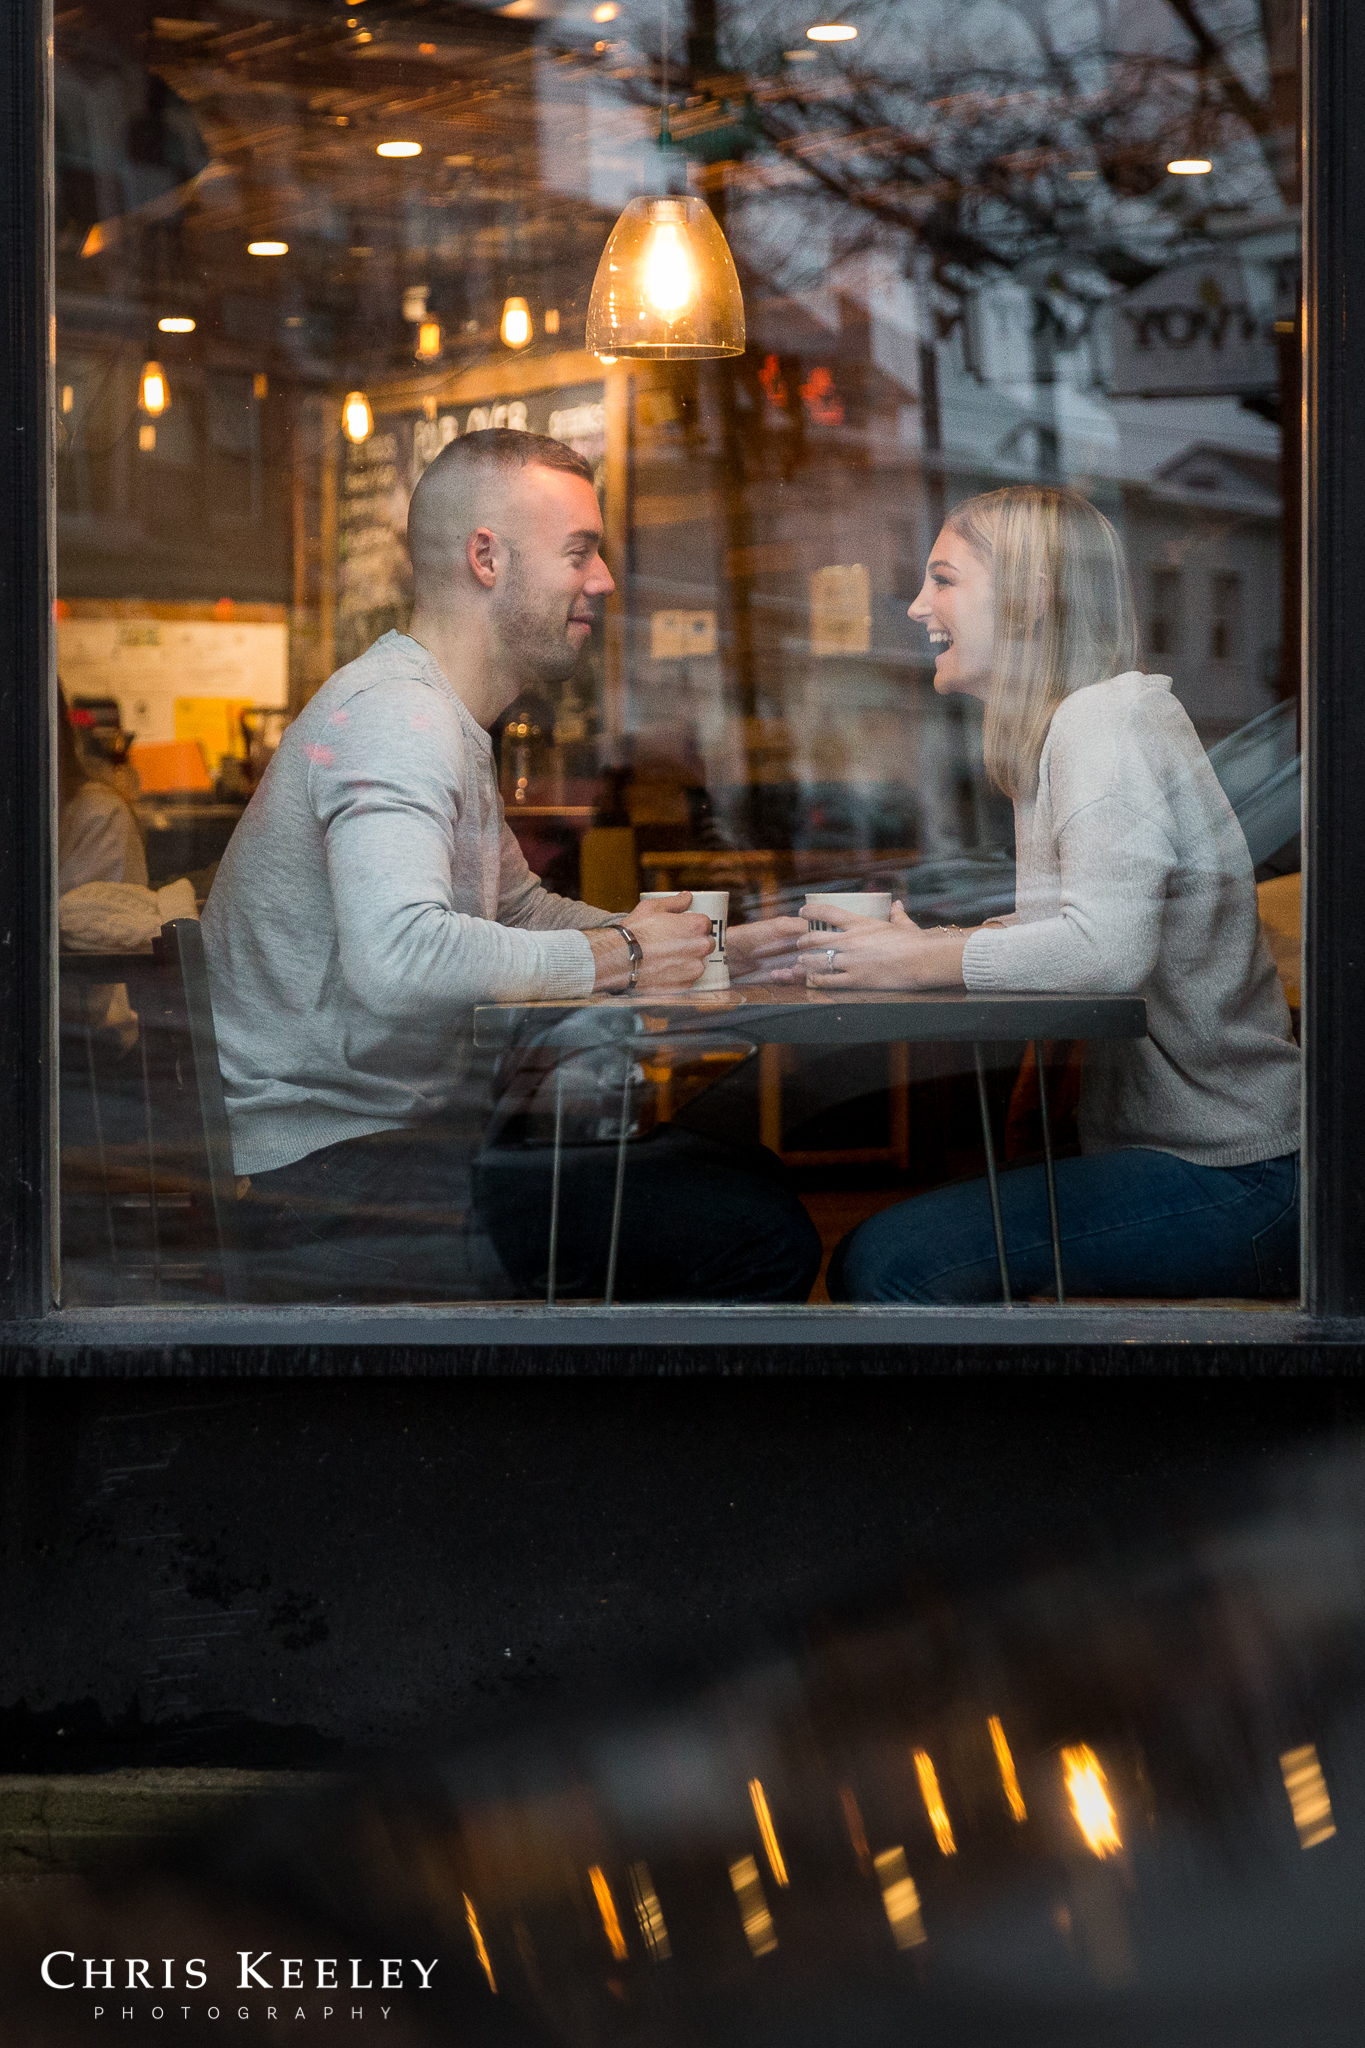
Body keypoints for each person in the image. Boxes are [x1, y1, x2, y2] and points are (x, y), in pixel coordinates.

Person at [202, 428, 820, 1303]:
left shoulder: (437, 718)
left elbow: (519, 915)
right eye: (580, 552)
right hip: (331, 1183)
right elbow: (400, 956)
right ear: (486, 558)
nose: (602, 580)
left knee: (740, 1169)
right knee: (755, 1230)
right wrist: (629, 957)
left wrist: (710, 946)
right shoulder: (398, 720)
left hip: (388, 1154)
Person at [785, 486, 1300, 1303]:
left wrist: (925, 962)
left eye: (944, 579)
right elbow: (1092, 926)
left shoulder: (1098, 724)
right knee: (874, 1257)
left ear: (1027, 599)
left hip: (1240, 1176)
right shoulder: (1083, 724)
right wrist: (929, 948)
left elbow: (1104, 952)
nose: (918, 605)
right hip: (1213, 1164)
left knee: (886, 1265)